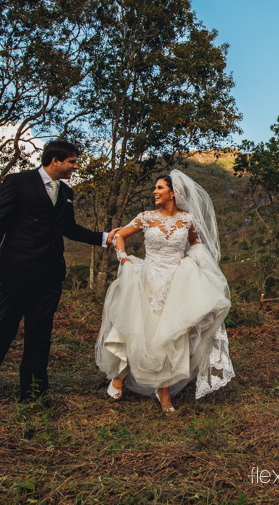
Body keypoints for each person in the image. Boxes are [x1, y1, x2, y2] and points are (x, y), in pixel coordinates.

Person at [0, 140, 114, 405]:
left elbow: (69, 228)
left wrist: (106, 238)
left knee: (40, 333)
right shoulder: (18, 182)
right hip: (17, 269)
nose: (75, 166)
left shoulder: (66, 191)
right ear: (55, 160)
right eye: (71, 161)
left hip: (50, 273)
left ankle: (33, 393)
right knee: (4, 328)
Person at [95, 170, 234, 411]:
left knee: (173, 334)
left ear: (174, 193)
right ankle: (119, 378)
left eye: (160, 188)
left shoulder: (188, 220)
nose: (155, 192)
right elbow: (120, 236)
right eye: (155, 188)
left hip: (177, 280)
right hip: (148, 276)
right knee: (138, 327)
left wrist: (199, 264)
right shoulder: (146, 217)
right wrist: (124, 259)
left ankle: (164, 390)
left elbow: (196, 244)